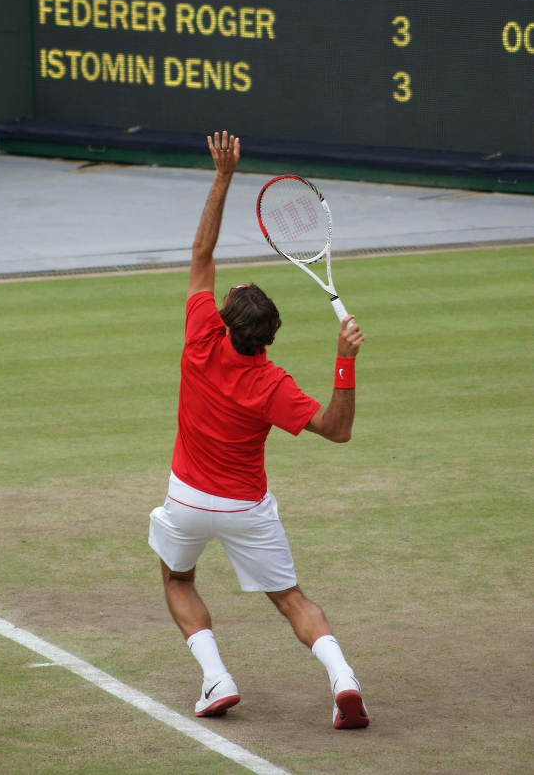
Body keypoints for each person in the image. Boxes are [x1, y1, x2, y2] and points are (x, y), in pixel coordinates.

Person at [148, 131, 369, 730]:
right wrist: (344, 359)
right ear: (267, 338)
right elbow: (337, 429)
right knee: (292, 600)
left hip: (188, 500)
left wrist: (222, 176)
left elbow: (200, 256)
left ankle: (216, 678)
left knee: (176, 577)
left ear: (226, 322)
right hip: (247, 508)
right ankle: (344, 680)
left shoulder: (201, 337)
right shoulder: (273, 384)